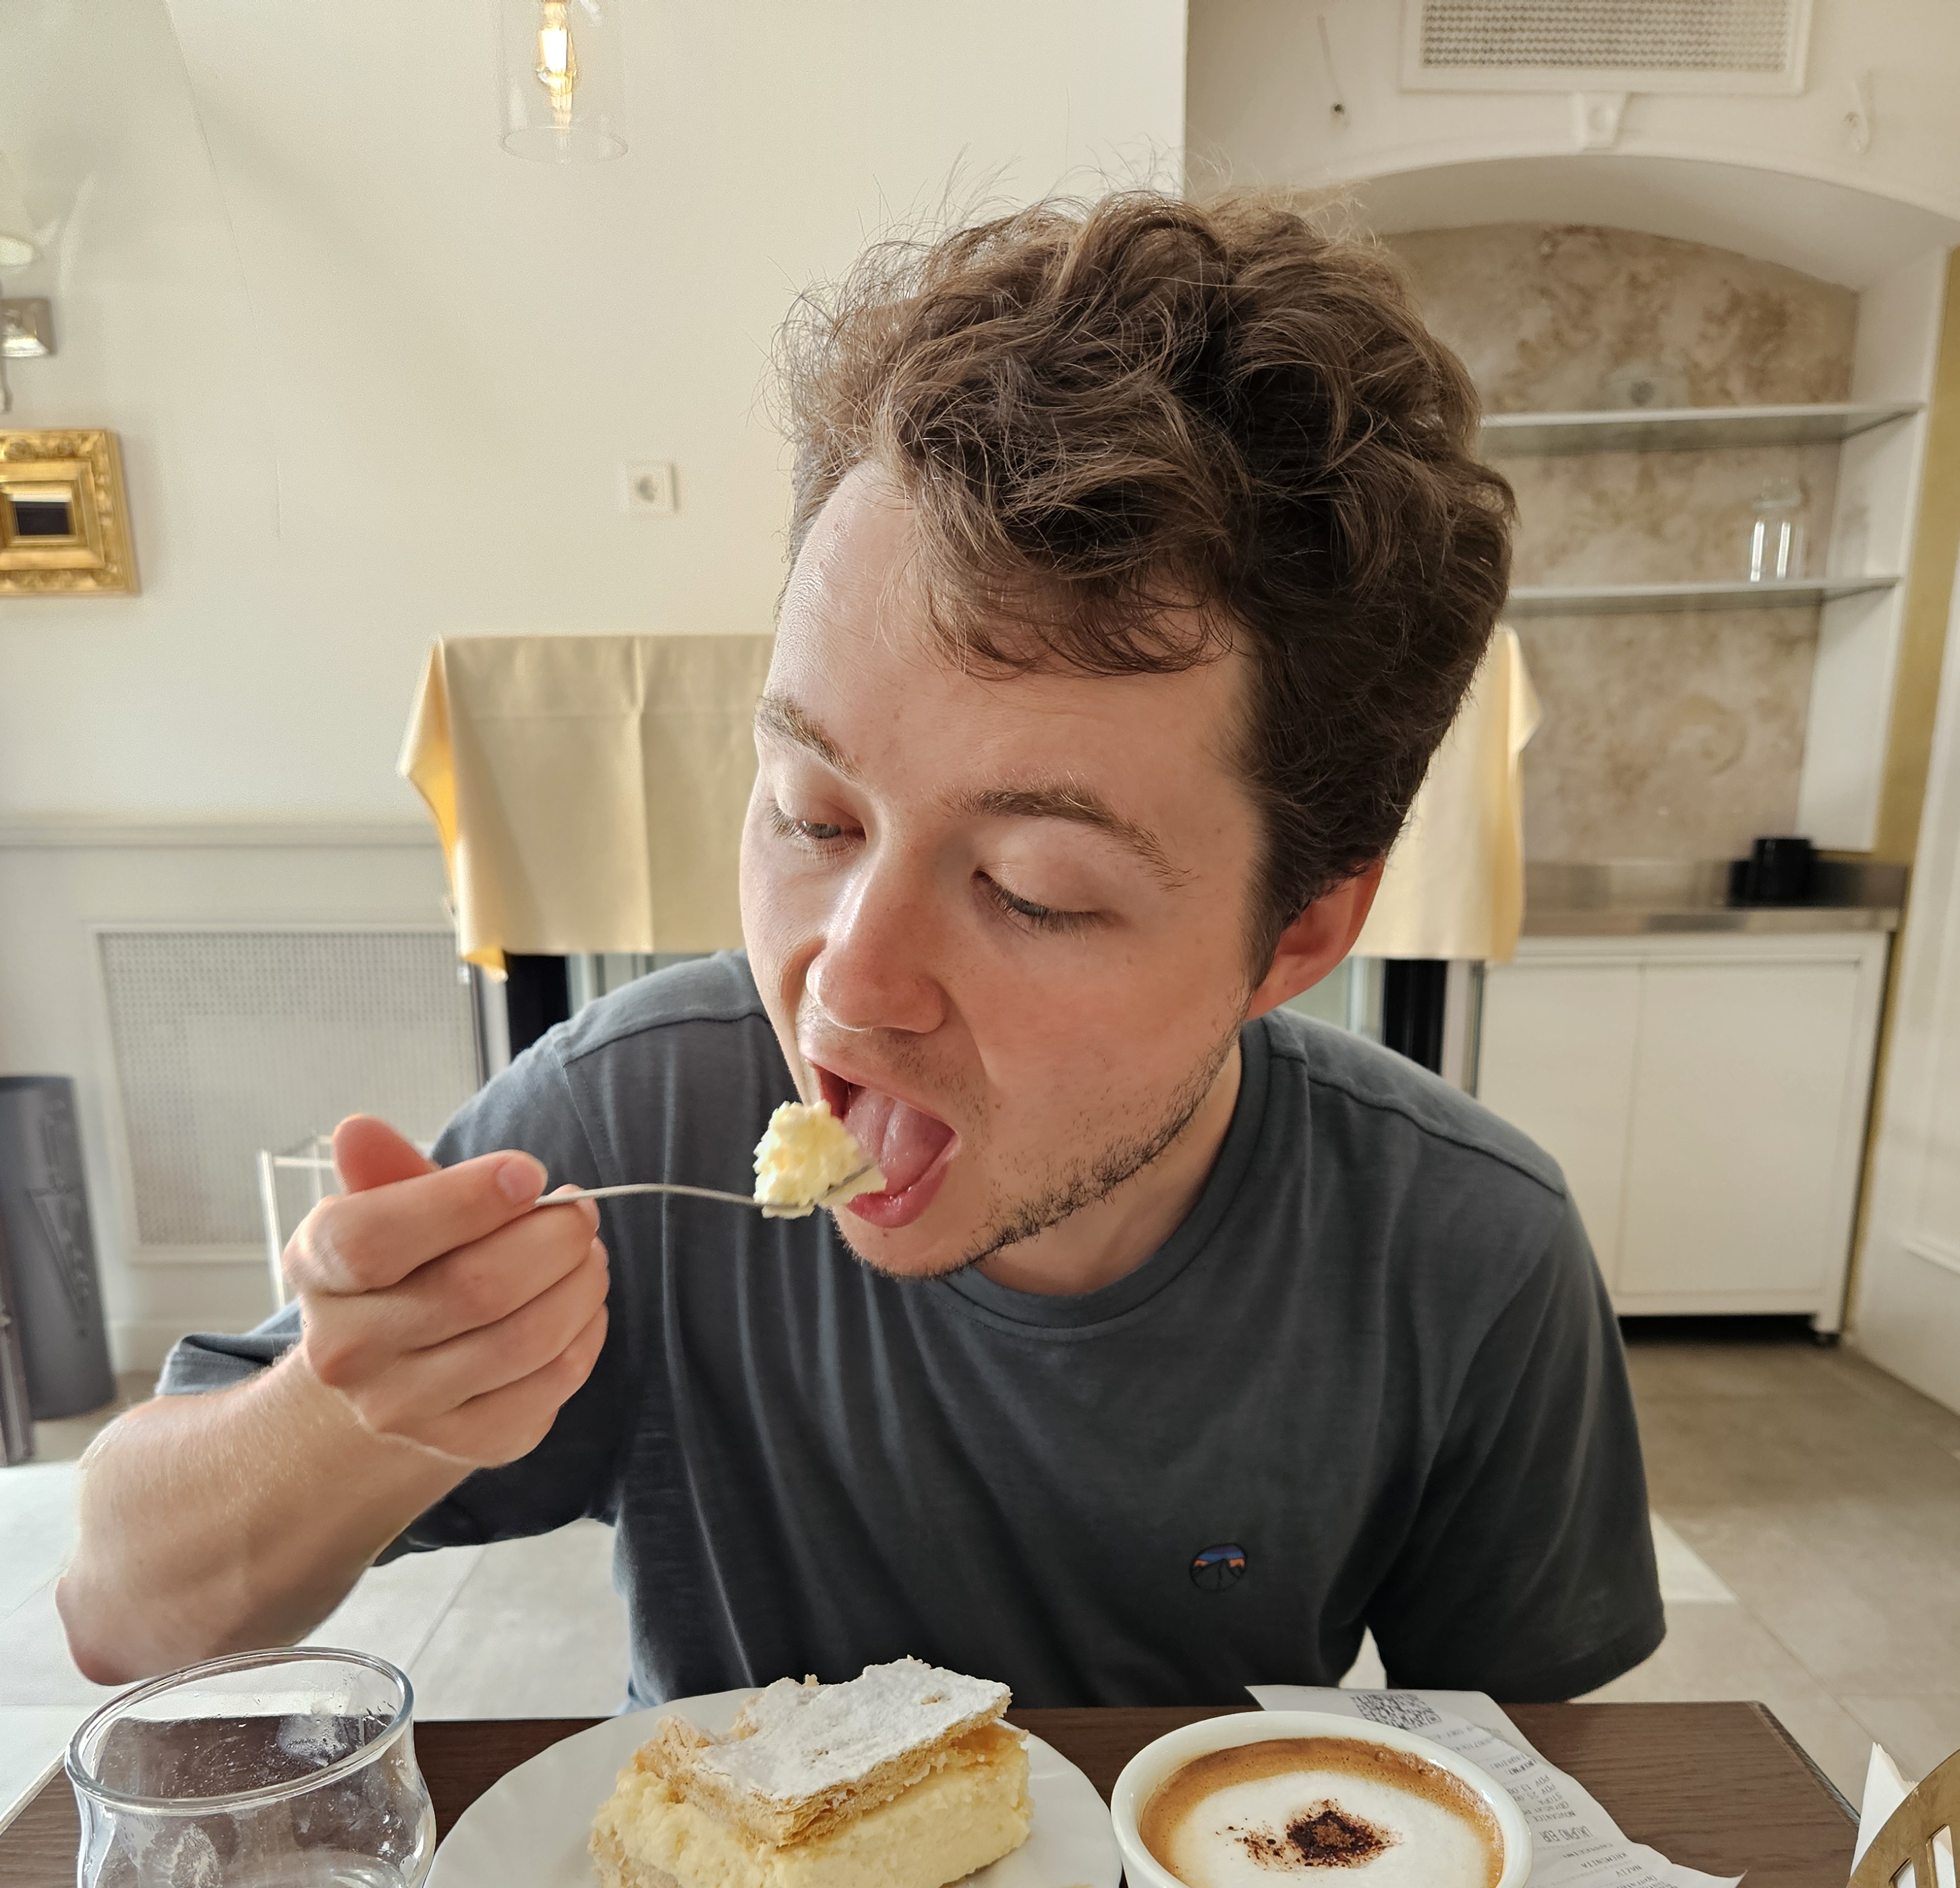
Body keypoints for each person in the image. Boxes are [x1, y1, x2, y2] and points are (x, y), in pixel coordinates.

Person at [60, 192, 1663, 1709]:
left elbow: (1532, 1792)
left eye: (1031, 886)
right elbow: (118, 1610)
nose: (842, 983)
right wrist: (353, 1408)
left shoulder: (1462, 1252)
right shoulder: (637, 1123)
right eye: (809, 814)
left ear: (1299, 929)